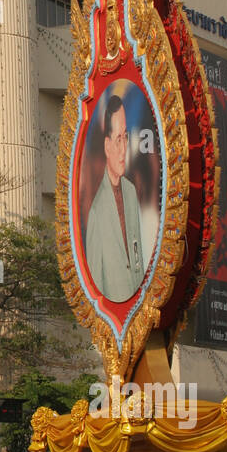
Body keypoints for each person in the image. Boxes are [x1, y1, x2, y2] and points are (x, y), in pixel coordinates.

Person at [85, 94, 146, 302]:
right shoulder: (96, 211)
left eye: (126, 137)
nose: (123, 149)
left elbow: (137, 256)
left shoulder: (130, 191)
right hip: (113, 319)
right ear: (107, 145)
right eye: (118, 139)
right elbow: (95, 288)